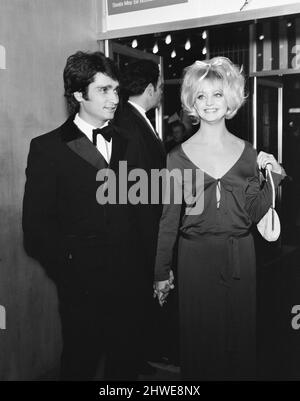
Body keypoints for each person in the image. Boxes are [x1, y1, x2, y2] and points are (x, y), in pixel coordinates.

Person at [154, 57, 285, 380]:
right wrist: (160, 271)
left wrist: (275, 178)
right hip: (194, 259)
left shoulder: (249, 153)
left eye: (216, 94)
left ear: (230, 100)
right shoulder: (176, 158)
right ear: (191, 104)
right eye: (201, 96)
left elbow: (256, 212)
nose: (209, 103)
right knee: (200, 343)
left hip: (241, 255)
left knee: (239, 341)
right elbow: (168, 220)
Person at [22, 51, 141, 380]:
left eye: (116, 89)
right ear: (78, 94)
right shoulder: (48, 148)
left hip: (128, 284)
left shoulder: (129, 143)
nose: (114, 98)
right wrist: (71, 273)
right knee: (80, 362)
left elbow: (138, 213)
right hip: (81, 289)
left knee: (125, 365)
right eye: (104, 90)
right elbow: (35, 230)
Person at [114, 59, 168, 370]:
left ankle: (140, 357)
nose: (161, 93)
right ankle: (133, 363)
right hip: (139, 236)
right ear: (149, 89)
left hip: (141, 233)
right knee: (134, 304)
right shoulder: (132, 127)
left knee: (136, 305)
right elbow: (138, 194)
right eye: (160, 88)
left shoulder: (133, 120)